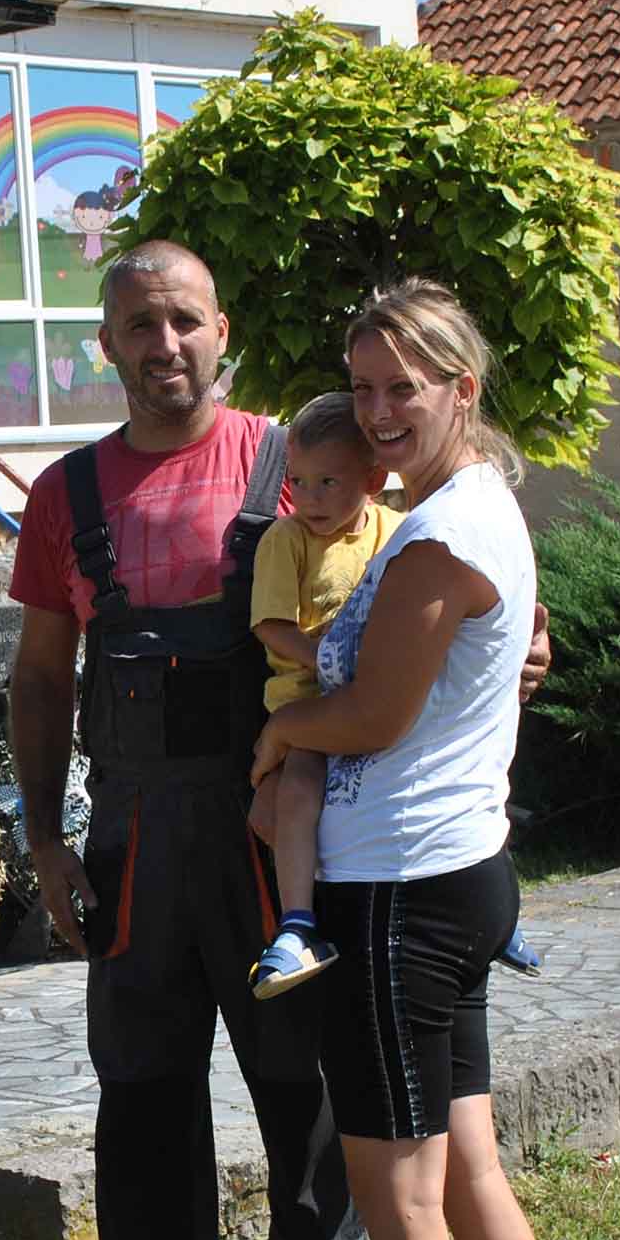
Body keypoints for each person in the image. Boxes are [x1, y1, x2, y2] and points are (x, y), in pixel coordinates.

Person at [7, 240, 373, 1240]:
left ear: (222, 331)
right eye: (139, 325)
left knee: (304, 1109)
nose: (164, 345)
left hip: (273, 842)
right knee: (145, 1110)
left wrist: (516, 628)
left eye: (184, 321)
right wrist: (46, 838)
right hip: (134, 851)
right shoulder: (64, 495)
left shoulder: (295, 460)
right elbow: (43, 676)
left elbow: (418, 564)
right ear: (106, 344)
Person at [257, 279, 591, 1240]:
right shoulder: (469, 506)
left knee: (400, 1201)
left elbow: (373, 715)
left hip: (397, 895)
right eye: (364, 388)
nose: (380, 412)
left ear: (464, 387)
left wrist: (283, 734)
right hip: (452, 876)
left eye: (406, 387)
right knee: (468, 1174)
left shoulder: (444, 531)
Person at [248, 391, 402, 998]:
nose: (307, 498)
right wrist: (325, 656)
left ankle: (492, 901)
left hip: (379, 698)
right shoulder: (286, 540)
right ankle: (297, 922)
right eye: (298, 482)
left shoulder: (397, 531)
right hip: (306, 705)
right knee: (298, 789)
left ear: (373, 480)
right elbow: (271, 624)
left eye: (327, 482)